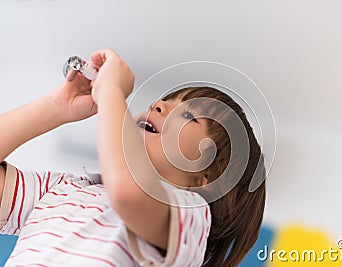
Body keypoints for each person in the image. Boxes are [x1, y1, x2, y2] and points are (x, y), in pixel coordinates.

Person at [0, 49, 266, 266]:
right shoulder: (67, 188)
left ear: (205, 176)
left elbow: (128, 194)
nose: (157, 105)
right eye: (164, 102)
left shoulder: (190, 215)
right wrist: (56, 107)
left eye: (188, 116)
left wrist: (111, 93)